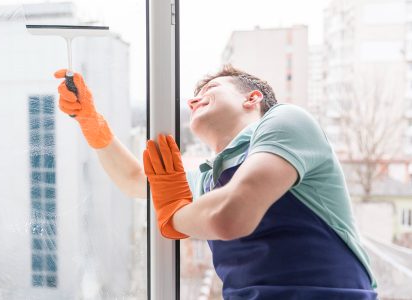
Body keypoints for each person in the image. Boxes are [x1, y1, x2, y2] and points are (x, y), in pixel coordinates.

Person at [54, 65, 378, 299]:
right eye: (193, 99)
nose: (194, 101)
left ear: (252, 99)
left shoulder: (287, 121)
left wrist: (174, 211)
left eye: (210, 90)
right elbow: (133, 179)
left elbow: (229, 216)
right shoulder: (210, 179)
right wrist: (91, 122)